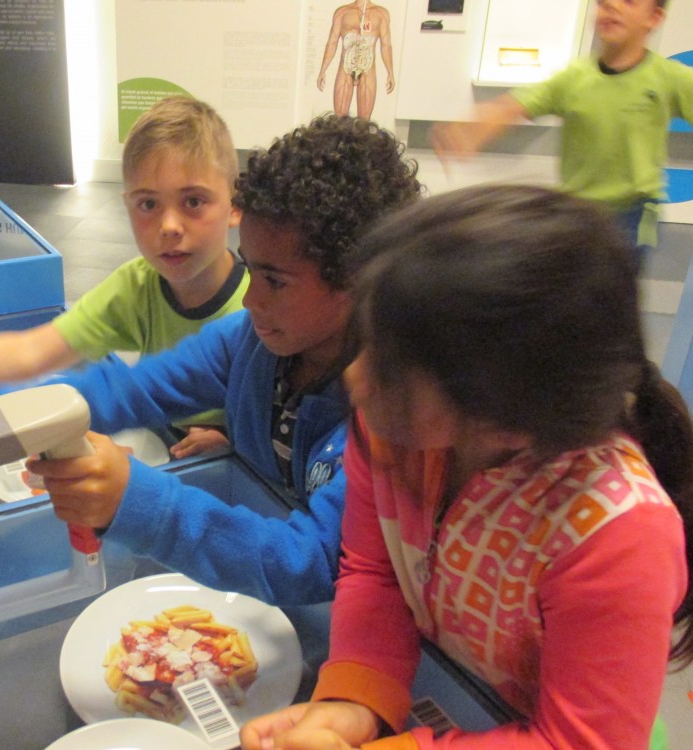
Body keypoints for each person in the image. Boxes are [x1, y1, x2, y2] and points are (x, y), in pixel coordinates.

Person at [241, 185, 693, 749]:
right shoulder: (393, 432)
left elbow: (580, 741)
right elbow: (378, 572)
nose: (356, 375)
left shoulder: (617, 535)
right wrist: (353, 702)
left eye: (392, 368)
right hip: (464, 700)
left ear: (505, 417)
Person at [0, 115, 422, 606]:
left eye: (275, 281)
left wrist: (137, 502)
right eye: (250, 270)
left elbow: (310, 561)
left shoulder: (391, 417)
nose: (250, 299)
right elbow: (130, 390)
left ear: (358, 280)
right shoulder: (247, 342)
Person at [0, 96, 245, 458]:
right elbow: (34, 351)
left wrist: (234, 439)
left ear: (235, 205)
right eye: (148, 204)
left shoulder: (257, 308)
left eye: (193, 201)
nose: (169, 226)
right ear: (128, 205)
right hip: (167, 441)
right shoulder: (137, 286)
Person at [431, 0, 693, 263]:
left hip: (633, 213)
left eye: (629, 2)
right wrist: (476, 125)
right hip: (579, 211)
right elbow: (515, 104)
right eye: (603, 2)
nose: (612, 6)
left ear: (654, 17)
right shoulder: (575, 78)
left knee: (617, 280)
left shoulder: (668, 78)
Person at [317, 1, 396, 120]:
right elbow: (332, 42)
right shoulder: (342, 12)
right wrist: (323, 70)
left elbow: (386, 45)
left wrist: (390, 72)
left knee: (364, 120)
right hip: (345, 68)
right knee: (339, 118)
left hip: (367, 69)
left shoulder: (380, 14)